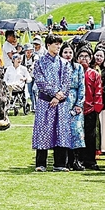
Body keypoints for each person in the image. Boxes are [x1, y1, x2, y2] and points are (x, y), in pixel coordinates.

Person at [32, 34, 71, 171]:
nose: (58, 46)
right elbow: (40, 81)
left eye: (59, 44)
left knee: (61, 131)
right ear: (48, 45)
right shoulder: (39, 62)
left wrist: (59, 96)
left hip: (61, 102)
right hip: (45, 101)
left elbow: (67, 82)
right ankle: (41, 163)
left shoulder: (64, 63)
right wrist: (54, 93)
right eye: (56, 44)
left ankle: (60, 164)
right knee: (43, 130)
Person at [60, 43, 86, 170]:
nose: (68, 55)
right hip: (62, 102)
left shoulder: (78, 68)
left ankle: (75, 160)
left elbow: (81, 86)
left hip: (75, 101)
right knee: (63, 131)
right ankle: (64, 161)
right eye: (65, 52)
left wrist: (79, 104)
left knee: (76, 131)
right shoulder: (58, 67)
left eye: (70, 52)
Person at [78, 44, 102, 170]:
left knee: (91, 135)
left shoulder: (94, 74)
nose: (84, 59)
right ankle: (79, 159)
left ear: (91, 58)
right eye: (81, 56)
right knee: (78, 135)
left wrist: (96, 107)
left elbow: (98, 91)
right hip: (77, 109)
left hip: (90, 108)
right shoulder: (74, 72)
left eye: (86, 56)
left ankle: (90, 160)